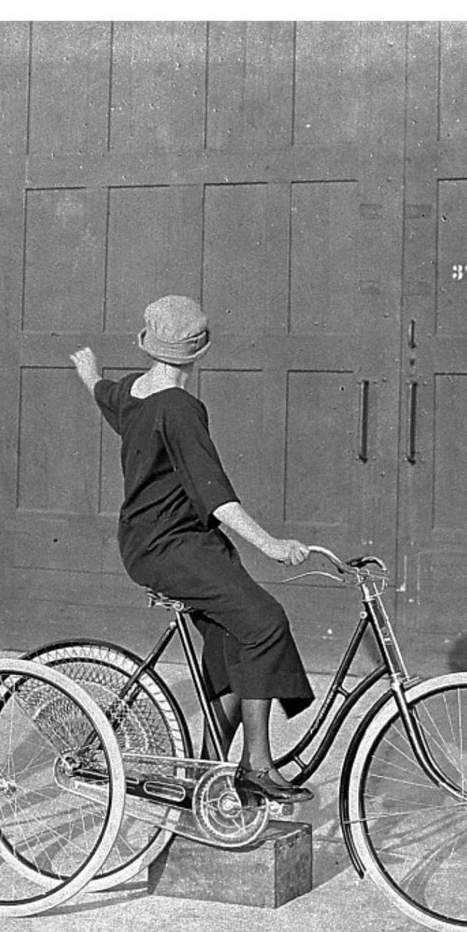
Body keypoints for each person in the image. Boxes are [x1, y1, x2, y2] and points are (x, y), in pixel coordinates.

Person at [71, 295, 315, 803]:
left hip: (162, 542)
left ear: (149, 345)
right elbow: (215, 495)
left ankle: (207, 773)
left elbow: (105, 395)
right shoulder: (180, 408)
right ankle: (256, 765)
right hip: (173, 546)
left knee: (233, 643)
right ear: (199, 352)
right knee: (266, 621)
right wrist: (271, 545)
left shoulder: (136, 393)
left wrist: (89, 372)